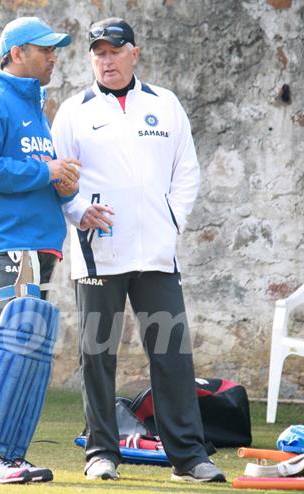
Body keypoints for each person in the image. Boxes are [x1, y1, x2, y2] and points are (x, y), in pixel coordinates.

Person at [51, 17, 226, 483]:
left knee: (171, 352)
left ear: (134, 53)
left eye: (114, 50)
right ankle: (101, 453)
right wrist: (77, 211)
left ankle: (188, 457)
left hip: (156, 253)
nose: (106, 60)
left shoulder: (164, 104)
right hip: (98, 252)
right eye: (98, 52)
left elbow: (187, 172)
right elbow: (58, 175)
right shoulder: (74, 110)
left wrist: (172, 220)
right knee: (98, 352)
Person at [0, 16, 80, 484]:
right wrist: (46, 173)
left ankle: (4, 455)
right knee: (11, 348)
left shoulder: (33, 110)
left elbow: (38, 172)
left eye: (54, 50)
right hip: (10, 241)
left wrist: (71, 201)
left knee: (23, 348)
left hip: (39, 243)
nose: (53, 56)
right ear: (15, 53)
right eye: (43, 49)